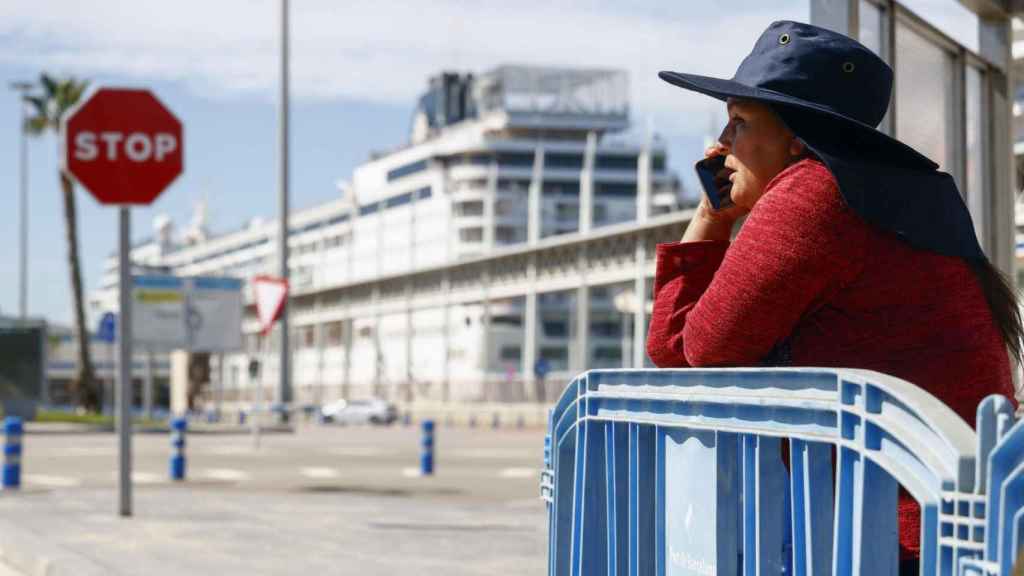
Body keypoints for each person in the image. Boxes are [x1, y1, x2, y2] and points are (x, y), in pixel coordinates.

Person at [646, 20, 1021, 571]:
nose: (721, 145)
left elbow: (694, 347)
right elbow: (682, 350)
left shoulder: (812, 192)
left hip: (897, 539)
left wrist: (710, 218)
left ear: (798, 139)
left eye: (740, 123)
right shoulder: (895, 190)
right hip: (956, 525)